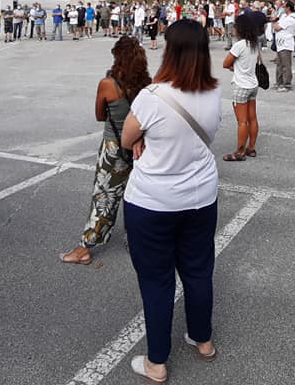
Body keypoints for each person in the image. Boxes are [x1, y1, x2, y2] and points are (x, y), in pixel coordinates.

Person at [119, 19, 222, 381]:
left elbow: (126, 138)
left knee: (156, 280)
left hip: (153, 200)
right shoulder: (213, 91)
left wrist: (142, 137)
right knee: (198, 270)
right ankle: (202, 339)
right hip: (201, 196)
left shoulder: (152, 96)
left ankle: (157, 361)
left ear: (170, 50)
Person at [60, 36, 152, 265]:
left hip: (114, 148)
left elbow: (100, 115)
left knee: (105, 197)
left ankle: (85, 248)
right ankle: (136, 240)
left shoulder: (108, 84)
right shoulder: (146, 84)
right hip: (141, 147)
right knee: (136, 196)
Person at [222, 14, 260, 161]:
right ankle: (251, 148)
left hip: (241, 85)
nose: (234, 29)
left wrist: (234, 67)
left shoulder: (239, 45)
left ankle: (240, 152)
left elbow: (226, 63)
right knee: (253, 118)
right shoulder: (254, 43)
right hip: (253, 83)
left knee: (242, 121)